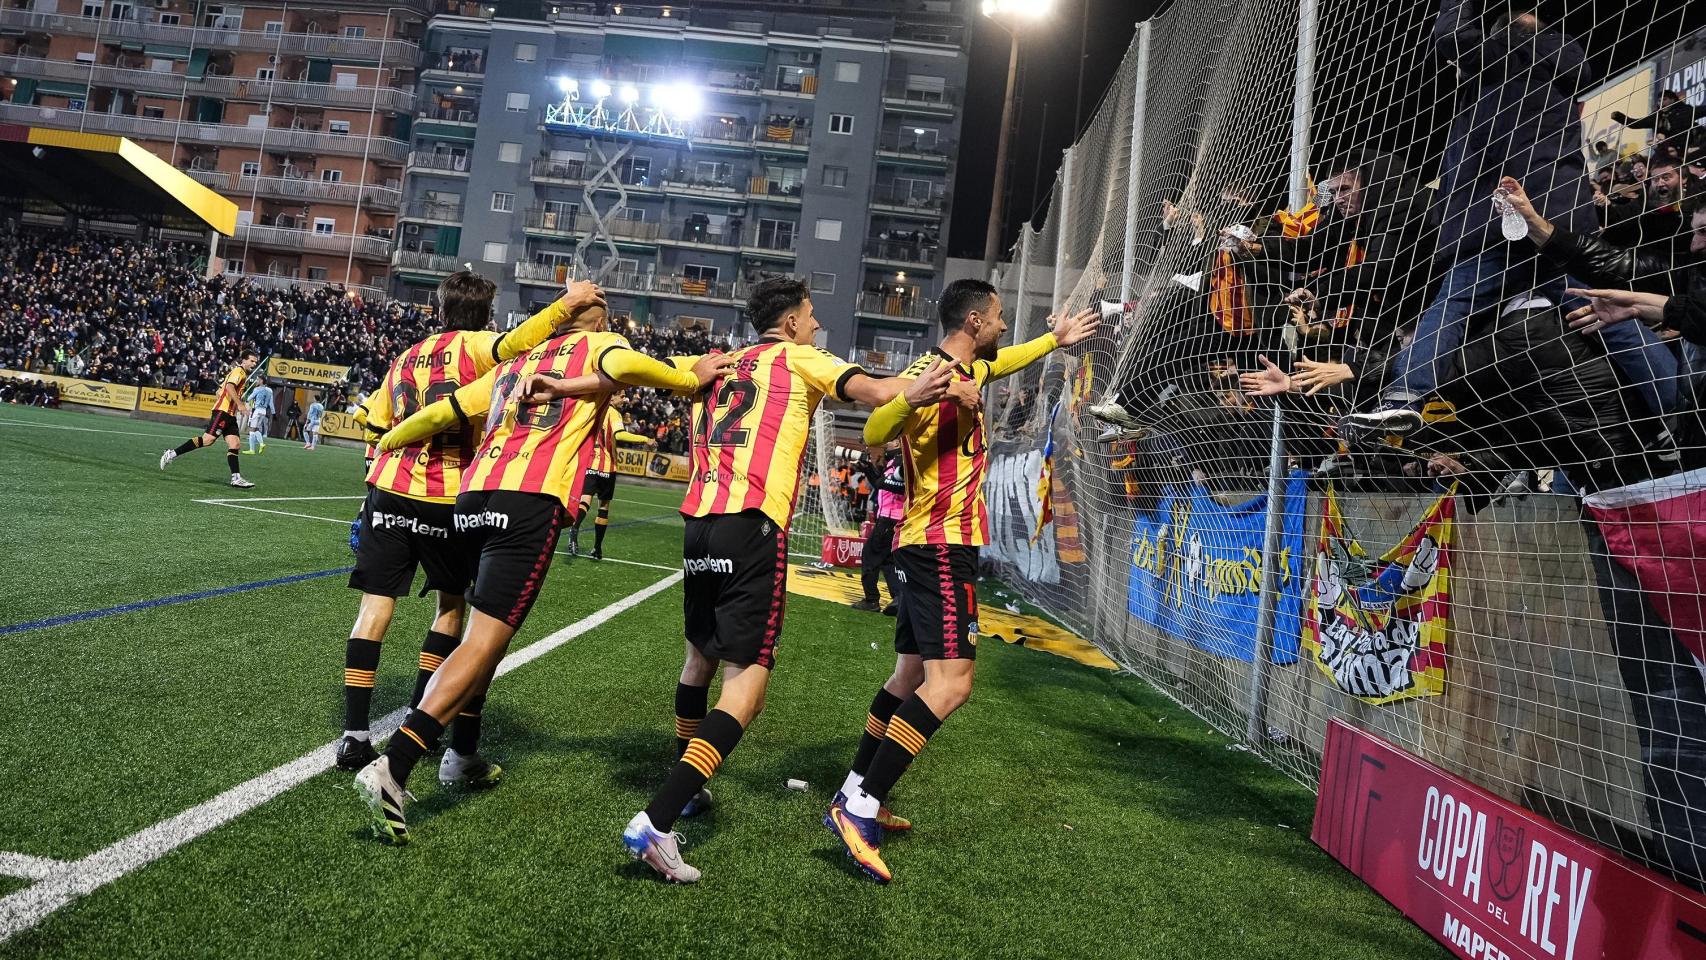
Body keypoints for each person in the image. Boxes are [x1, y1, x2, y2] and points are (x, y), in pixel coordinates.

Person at [619, 278, 973, 883]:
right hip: (752, 526)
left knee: (697, 662)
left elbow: (636, 373)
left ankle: (686, 786)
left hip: (698, 522)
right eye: (810, 318)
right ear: (788, 324)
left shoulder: (716, 362)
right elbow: (875, 390)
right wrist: (924, 385)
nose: (815, 328)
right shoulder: (798, 356)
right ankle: (658, 819)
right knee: (746, 691)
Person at [354, 297, 731, 844]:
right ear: (597, 319)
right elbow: (623, 367)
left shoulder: (517, 362)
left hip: (474, 493)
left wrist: (387, 438)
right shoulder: (600, 345)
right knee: (482, 641)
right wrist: (683, 376)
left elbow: (442, 413)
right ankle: (396, 765)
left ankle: (462, 754)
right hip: (527, 500)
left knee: (486, 634)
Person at [825, 280, 1100, 884]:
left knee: (909, 675)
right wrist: (912, 398)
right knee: (951, 686)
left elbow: (1006, 358)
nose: (1005, 325)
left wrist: (1053, 340)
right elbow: (873, 432)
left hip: (926, 543)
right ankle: (862, 808)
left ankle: (851, 790)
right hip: (940, 546)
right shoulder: (934, 372)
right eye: (999, 317)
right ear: (975, 320)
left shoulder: (969, 363)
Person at [333, 272, 609, 776]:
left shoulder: (404, 357)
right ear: (486, 312)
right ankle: (421, 719)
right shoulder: (484, 347)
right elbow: (522, 341)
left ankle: (353, 736)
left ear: (440, 307)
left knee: (374, 609)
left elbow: (371, 422)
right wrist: (564, 304)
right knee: (451, 609)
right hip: (448, 493)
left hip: (388, 488)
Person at [567, 395, 654, 561]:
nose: (624, 399)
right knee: (604, 507)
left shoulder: (594, 407)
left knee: (584, 501)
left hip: (590, 463)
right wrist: (646, 439)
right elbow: (620, 435)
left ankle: (574, 529)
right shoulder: (613, 412)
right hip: (608, 465)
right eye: (621, 395)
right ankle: (597, 548)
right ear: (612, 396)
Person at [159, 349, 259, 489]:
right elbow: (230, 387)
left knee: (235, 444)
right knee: (207, 440)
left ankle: (236, 478)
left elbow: (220, 391)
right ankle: (172, 453)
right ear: (243, 360)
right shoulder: (239, 372)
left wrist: (232, 403)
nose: (254, 364)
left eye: (256, 362)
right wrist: (240, 404)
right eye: (252, 361)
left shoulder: (239, 373)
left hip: (229, 414)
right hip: (223, 412)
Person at [852, 444, 904, 615]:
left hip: (891, 518)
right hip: (891, 518)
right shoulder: (893, 462)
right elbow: (880, 484)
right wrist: (868, 470)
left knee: (869, 555)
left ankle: (871, 599)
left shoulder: (900, 462)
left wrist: (878, 476)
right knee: (888, 560)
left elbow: (897, 486)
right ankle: (898, 598)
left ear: (897, 443)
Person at [244, 378, 275, 455]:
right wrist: (274, 413)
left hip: (257, 410)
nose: (256, 381)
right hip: (264, 411)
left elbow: (249, 398)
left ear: (261, 381)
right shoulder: (270, 391)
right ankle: (261, 444)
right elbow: (271, 403)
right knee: (257, 428)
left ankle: (252, 450)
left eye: (258, 380)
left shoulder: (257, 389)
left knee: (251, 429)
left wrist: (247, 401)